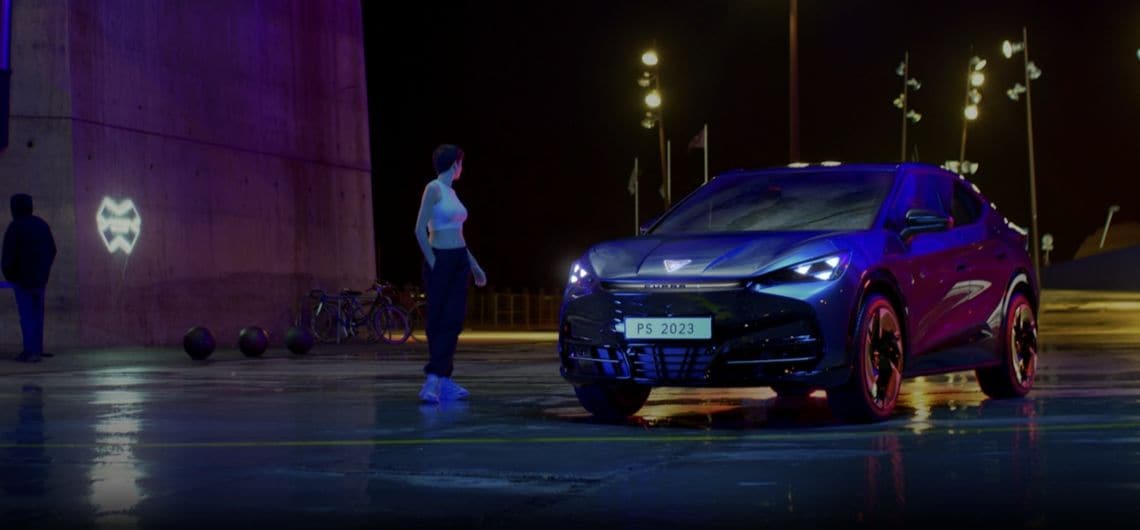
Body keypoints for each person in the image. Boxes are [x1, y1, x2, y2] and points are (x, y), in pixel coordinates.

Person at [413, 144, 487, 403]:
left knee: (454, 320)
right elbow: (419, 229)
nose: (461, 168)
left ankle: (443, 380)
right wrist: (433, 262)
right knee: (438, 319)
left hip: (458, 261)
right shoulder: (433, 188)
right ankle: (433, 379)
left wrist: (474, 265)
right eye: (461, 163)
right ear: (454, 164)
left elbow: (459, 236)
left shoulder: (452, 194)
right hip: (440, 259)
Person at [1, 194, 57, 363]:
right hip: (40, 280)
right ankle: (37, 350)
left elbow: (8, 256)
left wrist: (11, 276)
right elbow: (52, 250)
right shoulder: (41, 225)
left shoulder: (15, 227)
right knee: (38, 316)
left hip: (22, 281)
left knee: (26, 317)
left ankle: (30, 352)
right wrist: (44, 271)